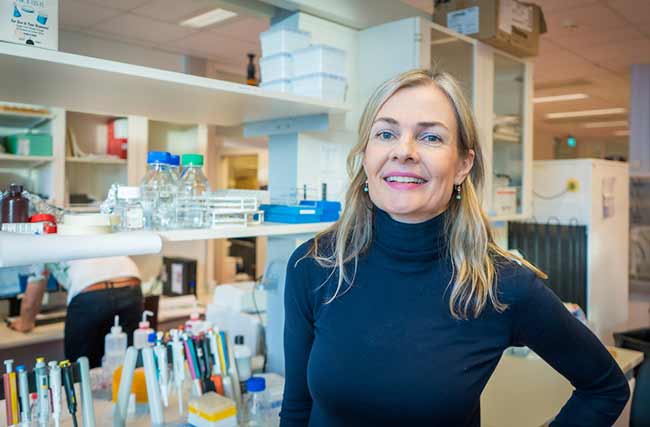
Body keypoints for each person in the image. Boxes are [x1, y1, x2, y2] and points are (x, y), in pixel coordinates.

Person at [280, 70, 630, 426]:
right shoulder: (314, 266)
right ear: (366, 155)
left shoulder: (502, 285)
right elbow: (296, 407)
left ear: (463, 164)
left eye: (430, 137)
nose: (404, 151)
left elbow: (605, 388)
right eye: (386, 133)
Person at [10, 256, 143, 368]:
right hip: (130, 281)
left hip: (90, 291)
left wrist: (24, 323)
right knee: (127, 364)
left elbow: (31, 302)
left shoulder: (41, 241)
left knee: (80, 368)